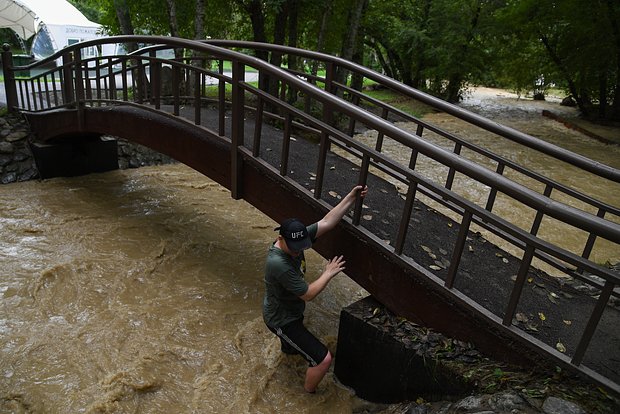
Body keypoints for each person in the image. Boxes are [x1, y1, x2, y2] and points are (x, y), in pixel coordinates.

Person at [262, 185, 369, 393]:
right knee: (323, 360)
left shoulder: (296, 238)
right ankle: (308, 396)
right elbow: (309, 294)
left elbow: (327, 222)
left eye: (302, 246)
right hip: (282, 320)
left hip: (288, 310)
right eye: (295, 249)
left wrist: (351, 197)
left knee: (292, 351)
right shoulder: (278, 263)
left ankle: (288, 358)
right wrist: (328, 272)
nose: (298, 252)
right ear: (280, 239)